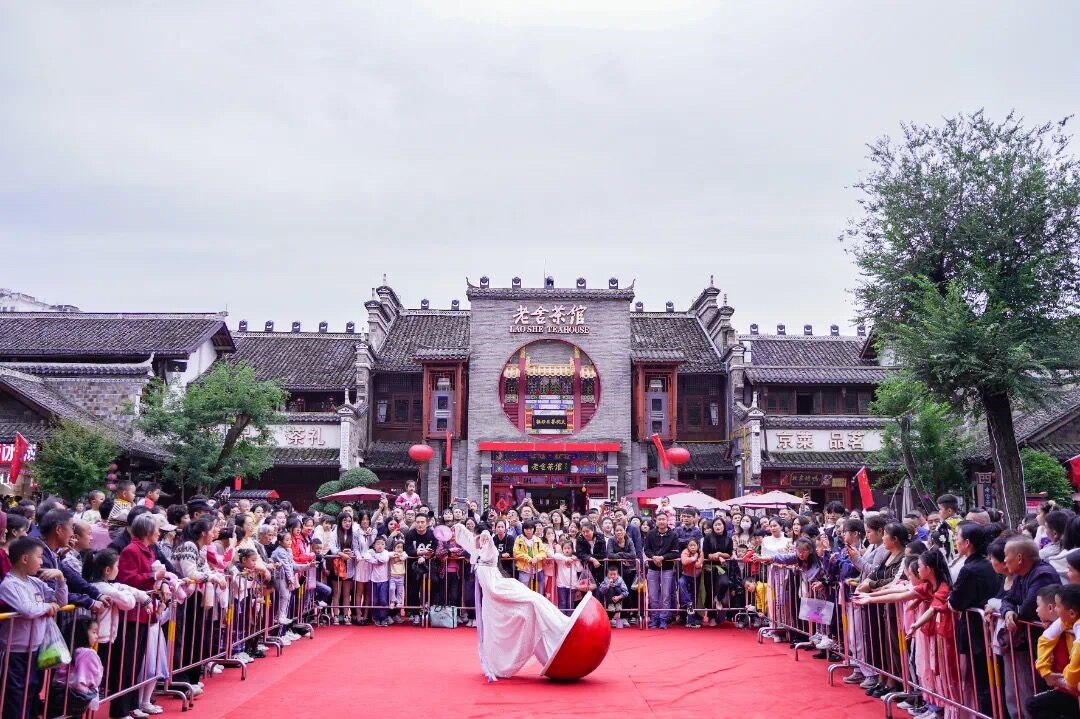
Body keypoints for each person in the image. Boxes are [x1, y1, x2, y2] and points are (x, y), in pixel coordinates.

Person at [453, 523, 599, 681]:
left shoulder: (489, 550)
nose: (478, 541)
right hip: (494, 599)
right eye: (477, 538)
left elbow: (486, 541)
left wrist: (485, 535)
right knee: (520, 612)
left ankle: (561, 628)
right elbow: (468, 539)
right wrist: (459, 527)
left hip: (501, 590)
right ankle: (499, 663)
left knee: (535, 600)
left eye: (480, 538)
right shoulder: (478, 553)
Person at [0, 536, 68, 719]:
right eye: (39, 557)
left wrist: (60, 579)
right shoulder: (9, 585)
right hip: (14, 652)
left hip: (35, 649)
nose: (41, 562)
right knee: (15, 696)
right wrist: (47, 606)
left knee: (31, 692)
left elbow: (61, 602)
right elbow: (27, 609)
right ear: (25, 558)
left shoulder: (35, 582)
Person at [948, 523, 1003, 717]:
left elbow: (956, 602)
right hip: (989, 628)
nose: (955, 541)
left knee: (983, 680)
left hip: (977, 632)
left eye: (957, 538)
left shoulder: (970, 569)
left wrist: (951, 601)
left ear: (967, 543)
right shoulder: (987, 564)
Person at [47, 616, 104, 718]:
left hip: (57, 693)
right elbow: (95, 679)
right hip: (76, 697)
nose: (96, 636)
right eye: (94, 632)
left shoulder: (65, 650)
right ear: (83, 633)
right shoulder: (88, 654)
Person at [643, 511, 680, 629]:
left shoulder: (673, 535)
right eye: (659, 519)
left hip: (667, 568)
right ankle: (654, 618)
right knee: (653, 595)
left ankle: (664, 619)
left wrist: (662, 557)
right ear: (656, 521)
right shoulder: (651, 534)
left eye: (664, 519)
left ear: (667, 520)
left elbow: (675, 552)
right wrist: (654, 557)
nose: (661, 521)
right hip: (653, 568)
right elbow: (646, 550)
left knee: (666, 595)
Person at [364, 536, 391, 626]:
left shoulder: (386, 552)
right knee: (374, 600)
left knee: (383, 600)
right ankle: (376, 617)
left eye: (382, 544)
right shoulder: (370, 551)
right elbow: (366, 557)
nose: (380, 546)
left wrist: (375, 556)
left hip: (384, 580)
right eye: (378, 544)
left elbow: (384, 559)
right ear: (374, 545)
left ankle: (384, 618)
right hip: (374, 580)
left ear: (385, 546)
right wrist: (376, 560)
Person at [513, 520, 546, 592]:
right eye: (526, 529)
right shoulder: (519, 539)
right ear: (523, 529)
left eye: (530, 529)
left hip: (538, 568)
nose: (528, 531)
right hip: (524, 568)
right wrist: (529, 559)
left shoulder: (537, 539)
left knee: (540, 590)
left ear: (534, 529)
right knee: (524, 589)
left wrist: (536, 558)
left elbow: (543, 552)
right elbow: (516, 553)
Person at [679, 537, 705, 628]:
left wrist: (693, 559)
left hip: (696, 577)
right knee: (681, 582)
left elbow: (698, 565)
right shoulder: (685, 551)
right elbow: (684, 561)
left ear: (698, 546)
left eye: (694, 545)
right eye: (690, 545)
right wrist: (693, 558)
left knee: (694, 598)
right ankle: (687, 601)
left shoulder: (701, 553)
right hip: (685, 575)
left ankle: (691, 621)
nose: (693, 547)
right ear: (688, 546)